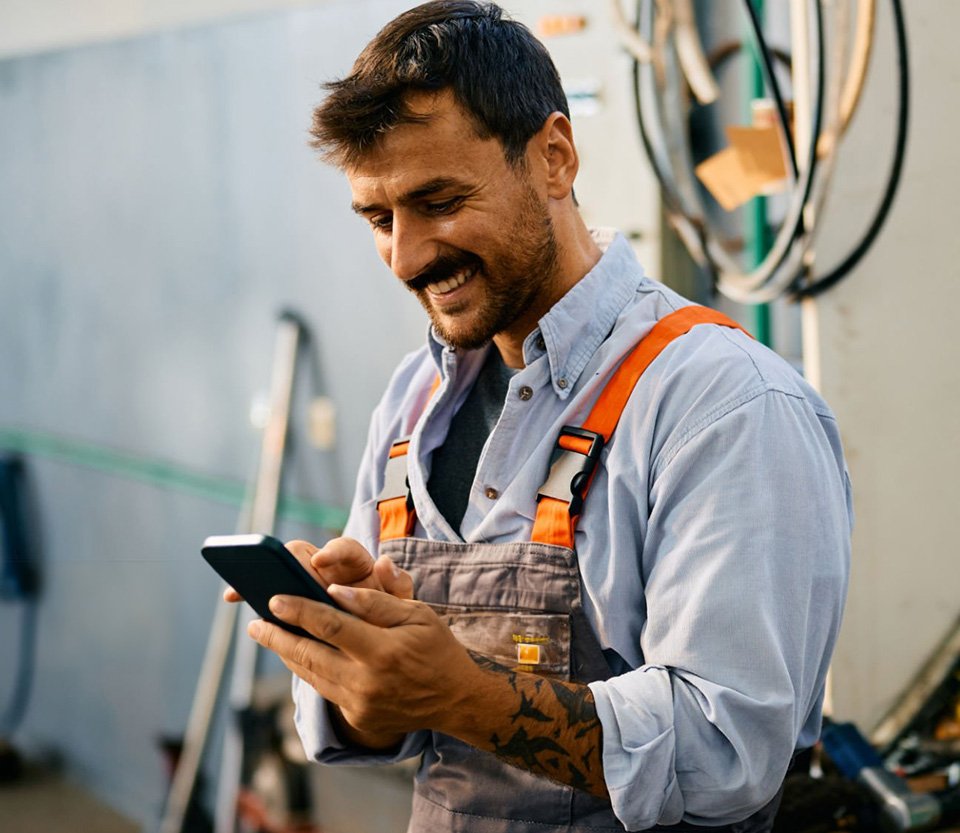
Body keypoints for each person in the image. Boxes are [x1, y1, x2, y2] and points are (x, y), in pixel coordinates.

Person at [237, 2, 852, 830]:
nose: (408, 256)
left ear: (554, 157)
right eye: (380, 219)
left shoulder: (723, 404)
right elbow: (390, 731)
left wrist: (461, 690)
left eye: (440, 200)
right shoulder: (412, 404)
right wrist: (363, 670)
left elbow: (725, 751)